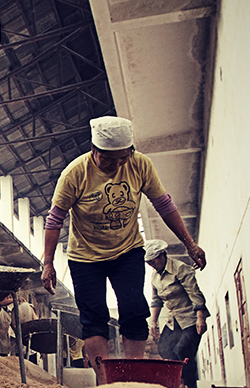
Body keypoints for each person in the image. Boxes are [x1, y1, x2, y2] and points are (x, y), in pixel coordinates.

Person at [41, 116, 206, 374]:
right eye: (109, 160)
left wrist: (190, 244)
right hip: (85, 258)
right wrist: (48, 263)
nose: (117, 165)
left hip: (127, 251)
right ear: (94, 150)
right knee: (93, 318)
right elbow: (54, 220)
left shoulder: (140, 165)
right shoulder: (74, 174)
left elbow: (164, 205)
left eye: (123, 158)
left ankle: (133, 377)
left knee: (134, 310)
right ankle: (104, 381)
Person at [145, 239, 209, 388]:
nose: (152, 266)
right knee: (164, 349)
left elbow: (195, 294)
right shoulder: (154, 277)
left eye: (153, 262)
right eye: (149, 263)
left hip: (190, 317)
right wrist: (153, 322)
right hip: (174, 320)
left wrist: (201, 318)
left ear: (162, 255)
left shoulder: (180, 268)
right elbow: (156, 300)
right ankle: (180, 382)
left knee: (183, 350)